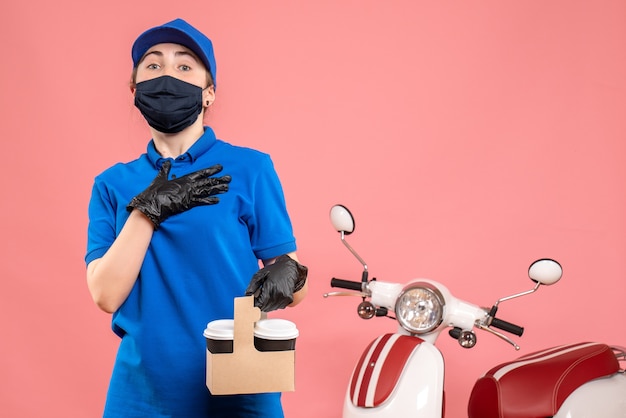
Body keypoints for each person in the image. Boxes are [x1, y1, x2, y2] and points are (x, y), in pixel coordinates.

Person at [85, 18, 308, 418]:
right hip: (143, 393)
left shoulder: (250, 168)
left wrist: (288, 276)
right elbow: (105, 295)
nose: (168, 74)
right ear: (135, 91)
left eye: (184, 66)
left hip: (241, 381)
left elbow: (290, 279)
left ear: (208, 94)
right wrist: (147, 210)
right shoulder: (113, 184)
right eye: (153, 65)